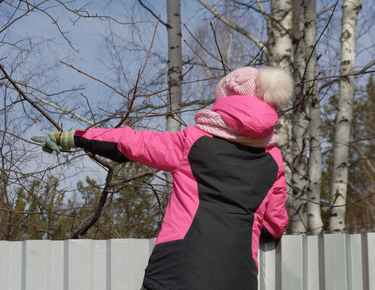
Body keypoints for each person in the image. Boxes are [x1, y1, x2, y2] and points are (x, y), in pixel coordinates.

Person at [32, 66, 293, 290]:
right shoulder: (273, 161)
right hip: (239, 277)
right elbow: (274, 226)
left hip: (177, 271)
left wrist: (76, 137)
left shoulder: (193, 143)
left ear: (226, 100)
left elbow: (130, 143)